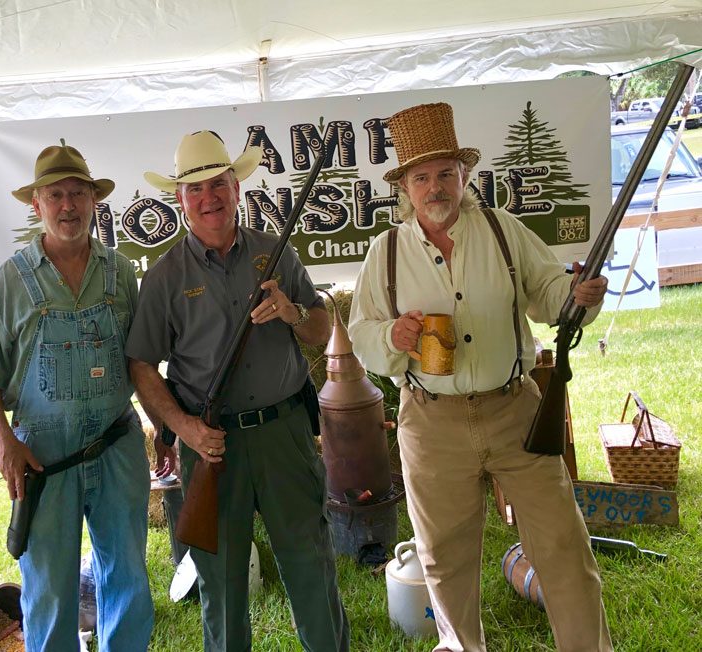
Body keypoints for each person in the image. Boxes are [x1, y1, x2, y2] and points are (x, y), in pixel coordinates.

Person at [348, 102, 612, 652]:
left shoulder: (503, 230)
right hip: (430, 422)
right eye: (422, 176)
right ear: (406, 187)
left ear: (464, 174)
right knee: (444, 557)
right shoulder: (386, 253)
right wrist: (392, 336)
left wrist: (578, 297)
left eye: (446, 172)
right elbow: (361, 334)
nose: (436, 186)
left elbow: (550, 298)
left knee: (562, 544)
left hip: (514, 411)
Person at [127, 130, 350, 652]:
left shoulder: (277, 254)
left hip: (284, 435)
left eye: (220, 184)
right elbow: (140, 364)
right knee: (221, 583)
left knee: (310, 566)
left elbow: (321, 328)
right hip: (211, 446)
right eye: (196, 189)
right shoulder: (163, 278)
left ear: (237, 188)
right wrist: (183, 428)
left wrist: (292, 312)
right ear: (180, 201)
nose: (210, 198)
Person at [0, 143, 154, 652]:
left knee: (128, 572)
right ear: (37, 204)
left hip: (117, 441)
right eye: (56, 195)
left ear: (94, 200)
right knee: (48, 583)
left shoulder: (121, 273)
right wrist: (4, 440)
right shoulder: (11, 281)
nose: (68, 205)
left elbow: (140, 362)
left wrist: (164, 426)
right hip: (41, 456)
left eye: (78, 194)